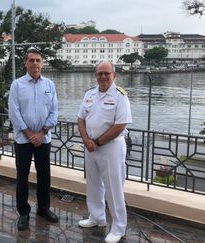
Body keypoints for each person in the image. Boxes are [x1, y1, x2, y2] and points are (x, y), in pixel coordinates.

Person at [77, 61, 132, 243]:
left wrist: (97, 142)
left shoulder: (120, 96)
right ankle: (97, 217)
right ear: (96, 75)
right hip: (91, 146)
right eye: (99, 73)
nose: (102, 76)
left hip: (111, 147)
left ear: (113, 75)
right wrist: (86, 140)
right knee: (93, 184)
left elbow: (120, 125)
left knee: (114, 188)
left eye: (106, 73)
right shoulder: (89, 94)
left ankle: (118, 227)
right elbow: (81, 119)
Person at [8, 47, 59, 231]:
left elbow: (54, 111)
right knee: (22, 176)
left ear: (42, 63)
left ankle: (44, 209)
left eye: (38, 60)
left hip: (43, 139)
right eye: (32, 60)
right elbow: (14, 113)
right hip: (23, 140)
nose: (35, 63)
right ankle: (23, 212)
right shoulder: (17, 85)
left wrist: (42, 133)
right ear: (26, 63)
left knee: (44, 175)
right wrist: (30, 134)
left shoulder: (50, 85)